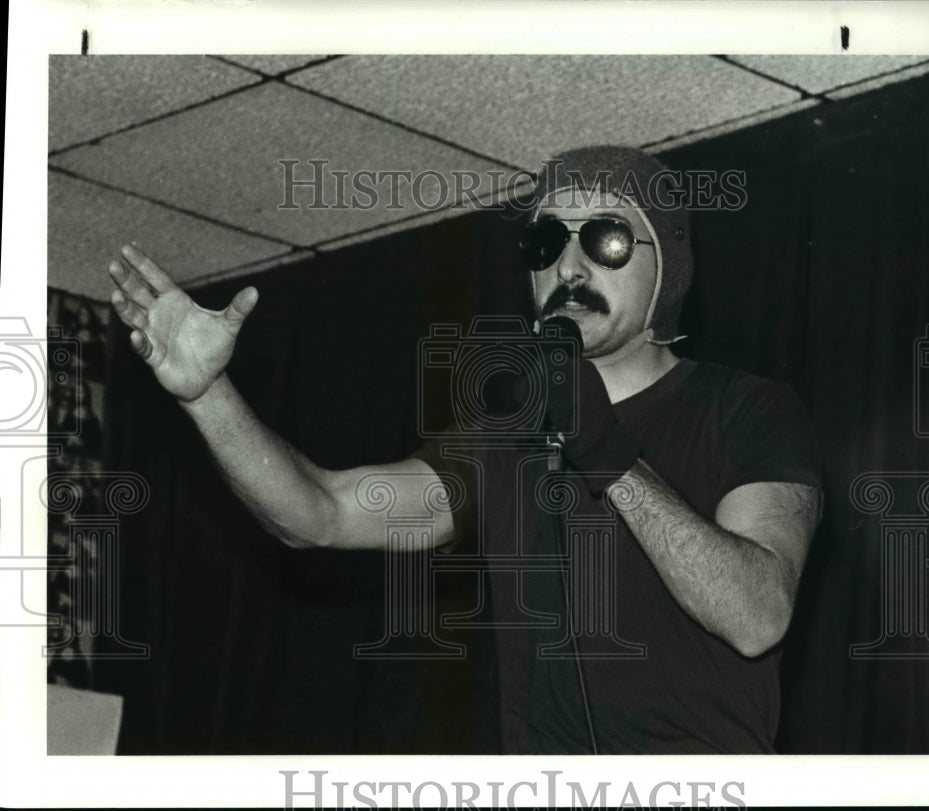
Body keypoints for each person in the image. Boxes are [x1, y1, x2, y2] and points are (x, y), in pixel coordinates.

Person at [108, 145, 822, 755]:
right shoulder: (501, 443)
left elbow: (757, 616)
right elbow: (319, 511)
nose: (569, 265)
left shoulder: (747, 410)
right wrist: (207, 394)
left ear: (666, 268)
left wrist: (607, 455)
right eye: (546, 243)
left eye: (603, 239)